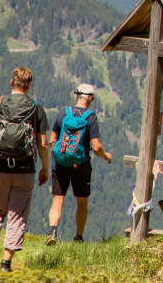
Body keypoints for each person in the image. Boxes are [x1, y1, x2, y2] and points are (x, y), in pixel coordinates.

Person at [0, 67, 49, 274]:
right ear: (29, 85)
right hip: (25, 170)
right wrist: (44, 168)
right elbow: (43, 144)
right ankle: (6, 263)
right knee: (18, 214)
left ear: (11, 82)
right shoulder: (37, 109)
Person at [46, 83, 112, 245]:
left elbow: (52, 140)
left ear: (77, 96)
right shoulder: (90, 117)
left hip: (60, 164)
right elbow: (96, 147)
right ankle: (78, 237)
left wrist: (57, 158)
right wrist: (106, 156)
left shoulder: (63, 113)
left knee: (57, 200)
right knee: (82, 202)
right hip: (81, 167)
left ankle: (52, 232)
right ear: (90, 98)